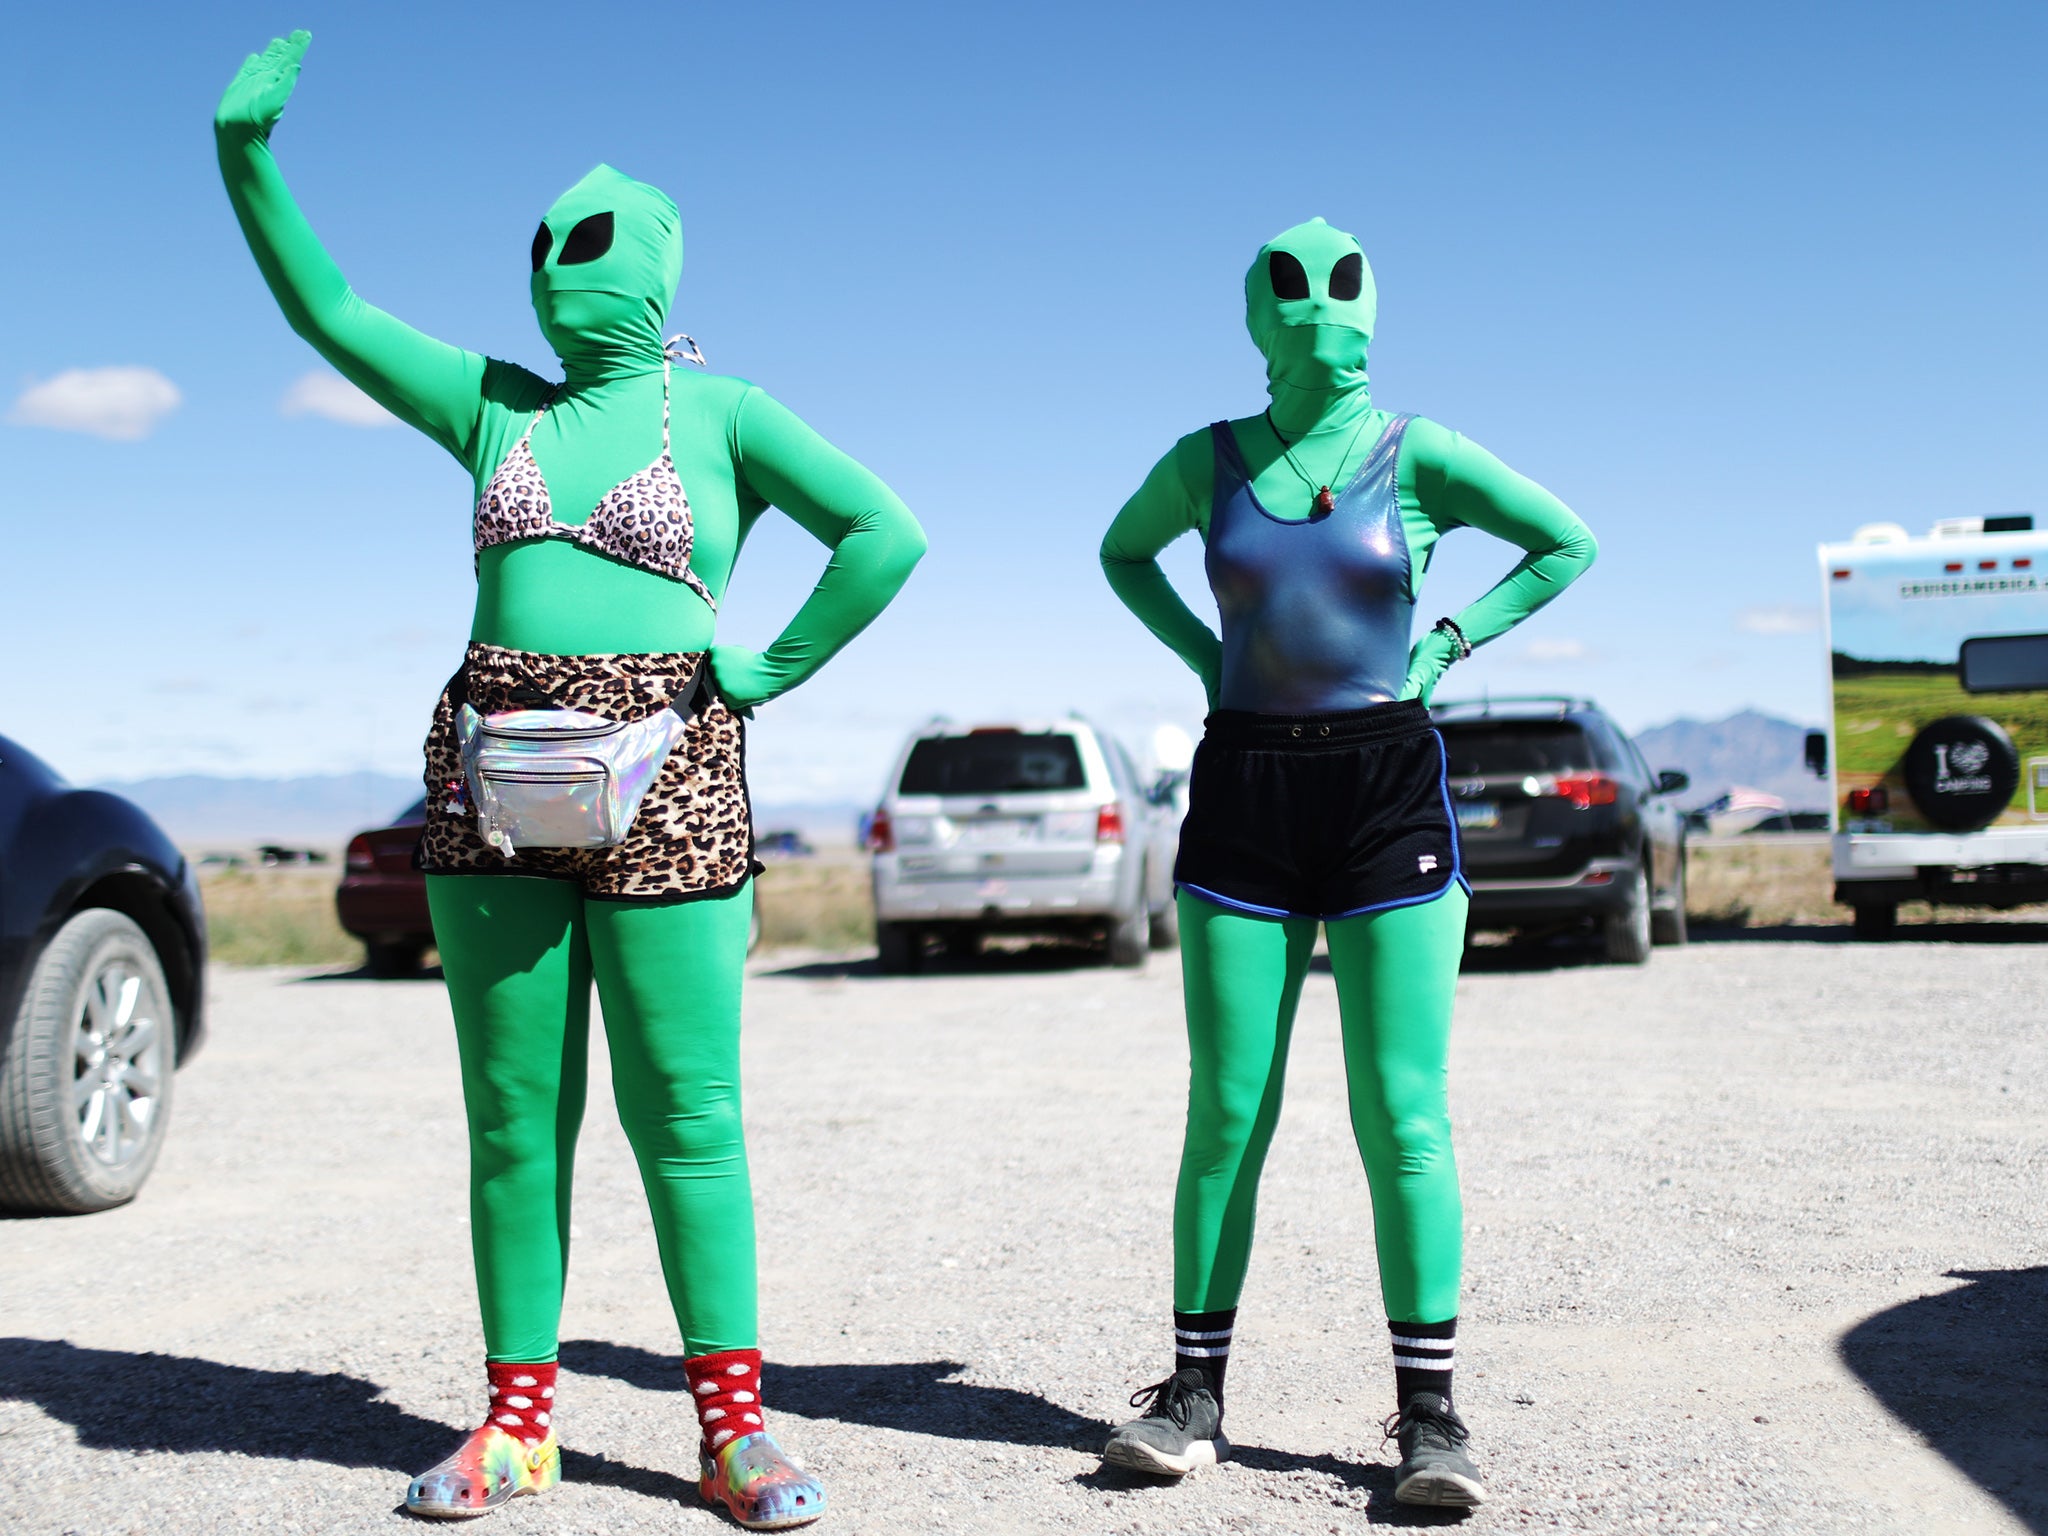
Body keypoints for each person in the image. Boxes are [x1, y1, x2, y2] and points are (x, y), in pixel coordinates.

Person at [214, 33, 925, 1529]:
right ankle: (516, 1423)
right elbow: (331, 311)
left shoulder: (722, 414)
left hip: (674, 773)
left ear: (657, 261)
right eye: (540, 247)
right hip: (489, 778)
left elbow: (882, 532)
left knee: (689, 1113)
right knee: (511, 1114)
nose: (555, 268)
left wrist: (765, 667)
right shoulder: (494, 407)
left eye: (586, 245)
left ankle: (732, 1429)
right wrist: (247, 159)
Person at [1096, 217, 1595, 1507]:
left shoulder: (1414, 450)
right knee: (1226, 1111)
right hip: (1244, 793)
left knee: (1404, 1116)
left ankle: (1432, 1419)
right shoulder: (1206, 461)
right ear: (1254, 316)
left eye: (1341, 286)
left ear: (1374, 306)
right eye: (1291, 291)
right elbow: (1120, 554)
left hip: (1386, 789)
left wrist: (1454, 641)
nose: (1318, 308)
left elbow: (1565, 542)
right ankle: (1194, 1394)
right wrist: (1207, 660)